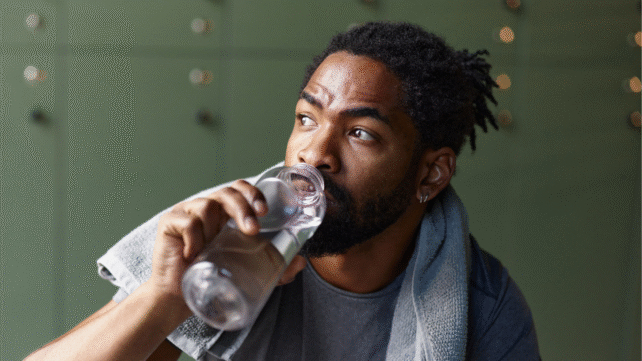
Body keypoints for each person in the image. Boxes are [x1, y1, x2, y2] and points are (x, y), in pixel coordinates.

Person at [25, 22, 540, 361]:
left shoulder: (480, 306)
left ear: (431, 175)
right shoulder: (234, 243)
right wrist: (162, 296)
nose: (315, 154)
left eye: (360, 133)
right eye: (306, 118)